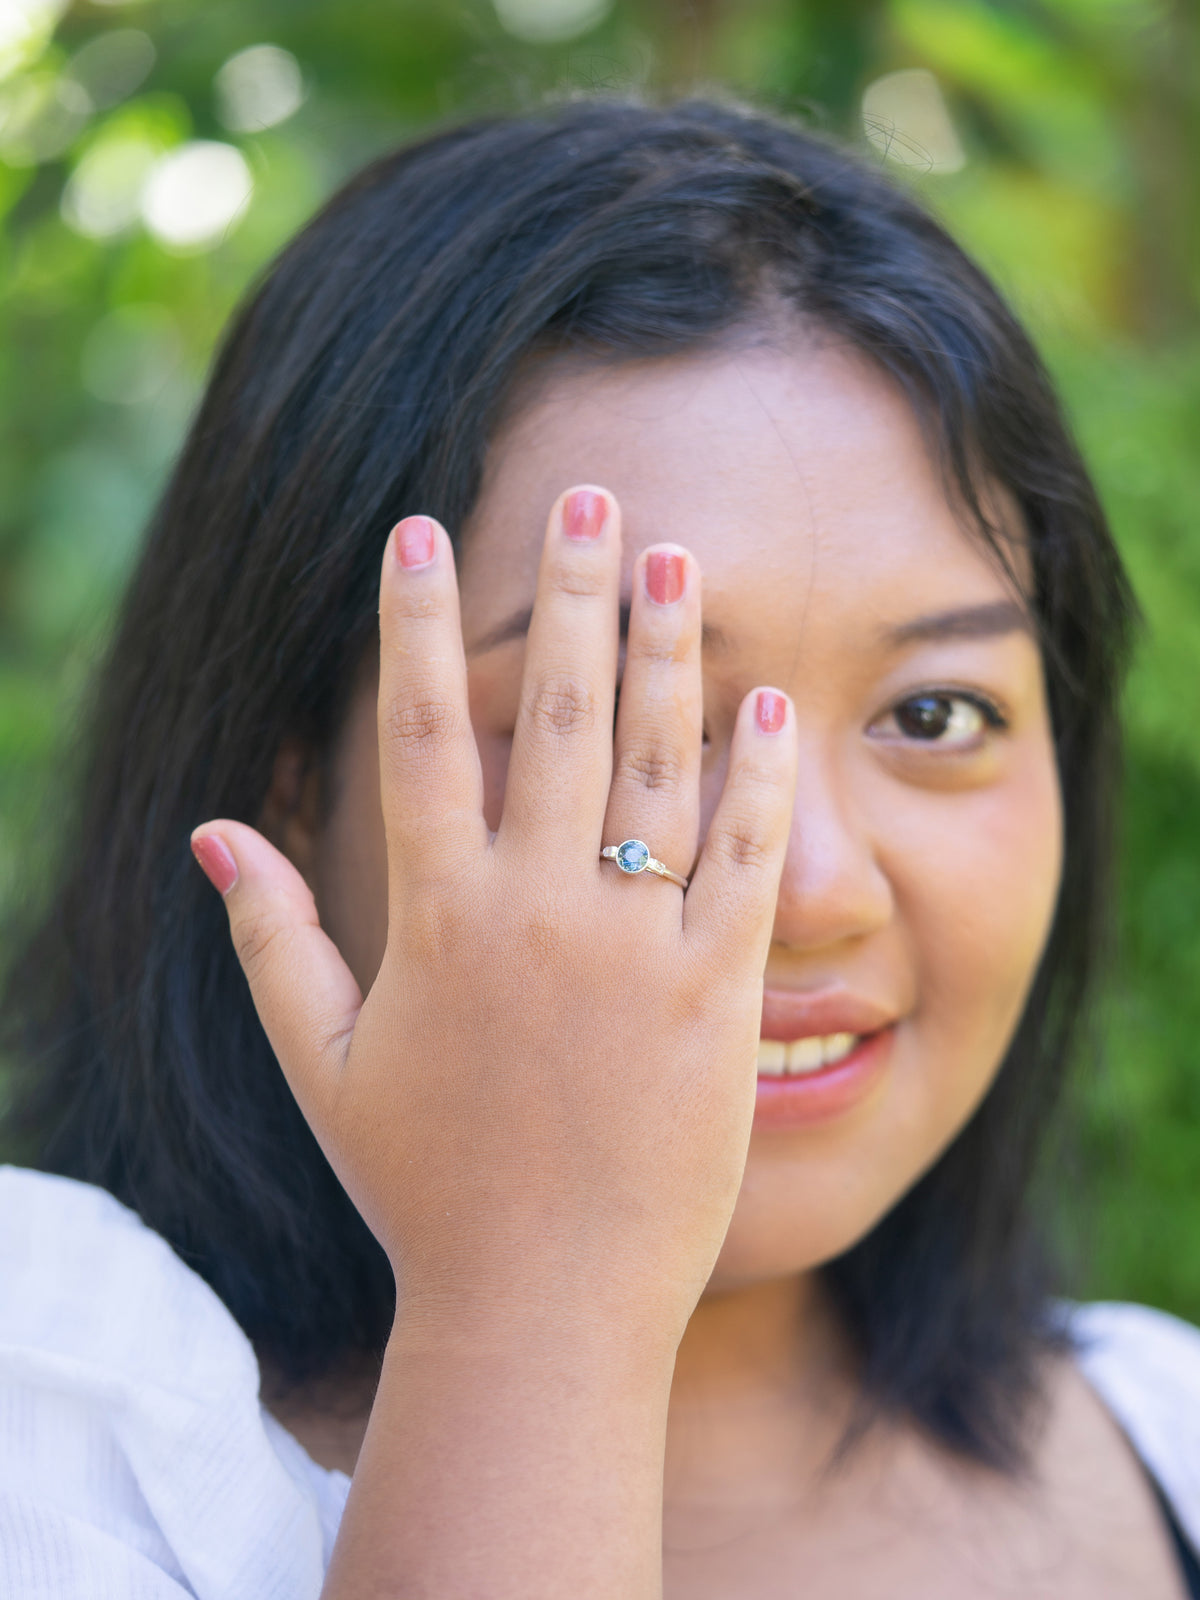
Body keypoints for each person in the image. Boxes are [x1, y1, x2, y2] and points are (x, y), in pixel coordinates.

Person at [1, 95, 1197, 1598]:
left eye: (938, 710)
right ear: (286, 779)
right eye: (619, 712)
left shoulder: (1170, 1436)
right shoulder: (56, 1431)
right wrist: (534, 1306)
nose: (813, 889)